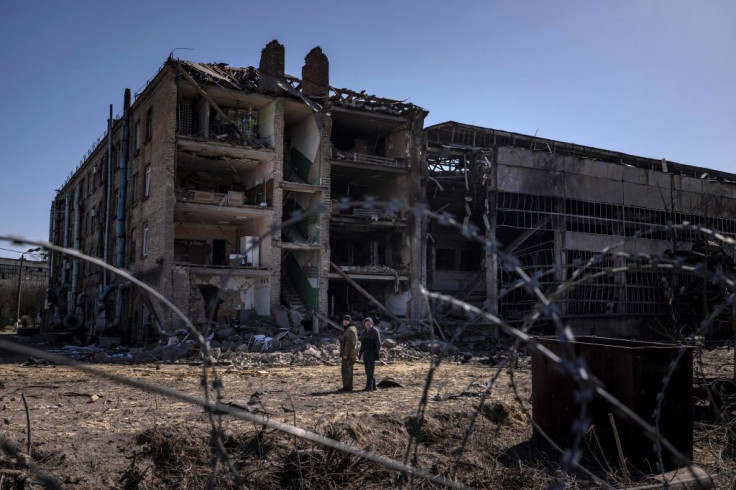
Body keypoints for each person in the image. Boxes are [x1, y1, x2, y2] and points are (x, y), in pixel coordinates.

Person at [358, 317, 381, 391]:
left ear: (371, 323)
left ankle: (369, 387)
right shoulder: (364, 332)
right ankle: (373, 386)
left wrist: (376, 353)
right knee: (367, 370)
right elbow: (363, 344)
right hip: (365, 352)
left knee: (370, 370)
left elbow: (378, 343)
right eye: (366, 323)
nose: (367, 324)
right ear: (364, 324)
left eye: (369, 323)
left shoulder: (375, 331)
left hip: (372, 352)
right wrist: (360, 352)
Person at [338, 315, 358, 391]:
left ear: (349, 322)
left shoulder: (350, 330)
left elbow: (350, 343)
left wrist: (345, 354)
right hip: (349, 354)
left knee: (347, 371)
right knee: (347, 371)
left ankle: (347, 387)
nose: (345, 322)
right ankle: (347, 386)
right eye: (344, 321)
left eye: (346, 321)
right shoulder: (349, 329)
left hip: (349, 355)